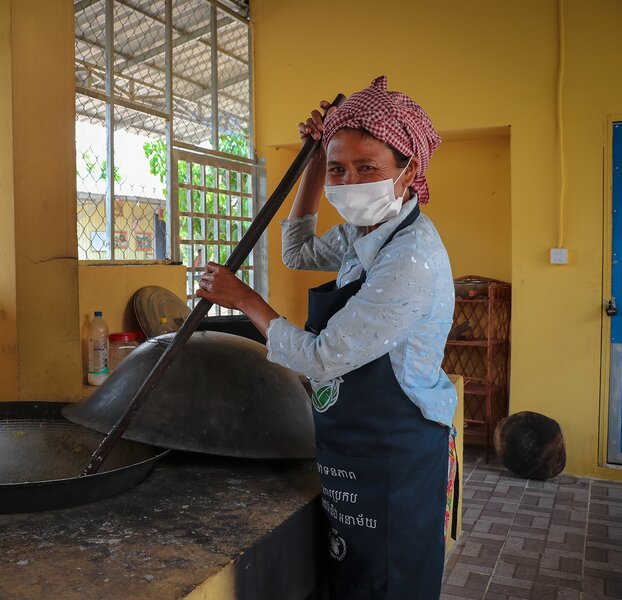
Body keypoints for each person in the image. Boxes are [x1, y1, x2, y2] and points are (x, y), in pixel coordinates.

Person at [196, 76, 457, 599]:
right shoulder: (367, 235)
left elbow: (321, 359)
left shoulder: (409, 259)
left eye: (368, 168)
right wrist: (313, 159)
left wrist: (244, 300)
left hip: (394, 454)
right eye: (340, 168)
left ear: (408, 171)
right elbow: (296, 250)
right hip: (356, 445)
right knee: (352, 580)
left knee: (388, 585)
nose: (350, 181)